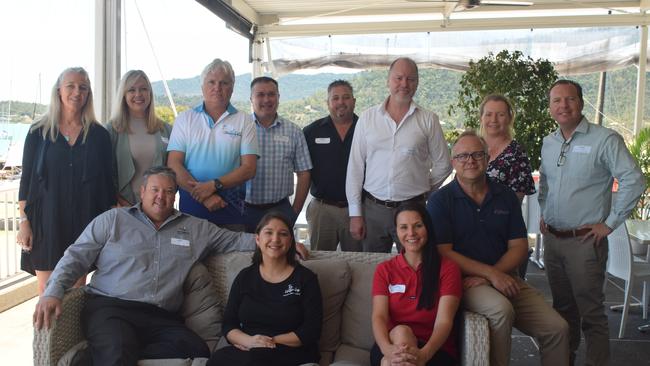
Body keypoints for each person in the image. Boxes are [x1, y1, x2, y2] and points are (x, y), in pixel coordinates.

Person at [33, 166, 308, 366]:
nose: (161, 197)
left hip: (160, 317)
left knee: (198, 350)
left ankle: (94, 356)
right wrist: (53, 291)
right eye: (154, 190)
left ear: (175, 195)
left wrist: (278, 241)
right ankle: (110, 350)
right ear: (141, 192)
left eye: (168, 191)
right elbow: (76, 256)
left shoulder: (195, 228)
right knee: (118, 353)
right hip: (111, 307)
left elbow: (235, 239)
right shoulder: (112, 221)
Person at [427, 131, 569, 366]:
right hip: (463, 281)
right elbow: (444, 251)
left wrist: (495, 275)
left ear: (487, 158)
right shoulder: (441, 201)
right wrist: (490, 275)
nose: (470, 160)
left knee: (558, 328)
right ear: (453, 163)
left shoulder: (505, 196)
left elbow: (519, 246)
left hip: (504, 276)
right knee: (501, 310)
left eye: (476, 154)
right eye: (462, 156)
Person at [539, 80, 644, 366]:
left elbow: (634, 180)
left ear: (581, 103)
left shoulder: (604, 139)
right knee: (562, 310)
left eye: (569, 99)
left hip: (585, 242)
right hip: (553, 240)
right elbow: (545, 183)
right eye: (556, 100)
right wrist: (543, 211)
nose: (563, 105)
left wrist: (609, 223)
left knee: (591, 314)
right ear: (550, 107)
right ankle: (565, 360)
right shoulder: (549, 143)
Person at [17, 67, 115, 295]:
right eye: (70, 85)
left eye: (83, 87)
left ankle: (68, 333)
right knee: (46, 289)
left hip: (84, 222)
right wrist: (24, 222)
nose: (76, 91)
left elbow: (106, 185)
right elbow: (26, 180)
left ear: (88, 93)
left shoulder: (99, 135)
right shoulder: (38, 132)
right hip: (46, 221)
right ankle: (46, 332)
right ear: (59, 91)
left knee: (75, 291)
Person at [346, 57, 452, 253]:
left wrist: (424, 188)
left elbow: (444, 164)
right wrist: (355, 214)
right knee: (372, 268)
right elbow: (355, 168)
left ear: (418, 83)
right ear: (388, 80)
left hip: (413, 210)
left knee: (414, 268)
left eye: (411, 79)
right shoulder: (368, 118)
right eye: (399, 78)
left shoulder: (428, 119)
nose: (404, 84)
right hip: (373, 210)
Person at [208, 212, 322, 366]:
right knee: (217, 359)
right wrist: (249, 341)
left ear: (290, 242)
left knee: (255, 359)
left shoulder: (306, 279)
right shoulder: (245, 277)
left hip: (291, 350)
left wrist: (268, 341)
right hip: (250, 347)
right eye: (268, 232)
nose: (275, 239)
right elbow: (229, 324)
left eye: (283, 234)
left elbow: (311, 330)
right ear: (257, 239)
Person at [167, 58, 258, 231]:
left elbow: (249, 169)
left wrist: (213, 185)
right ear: (202, 87)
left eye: (224, 83)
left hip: (230, 213)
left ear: (232, 88)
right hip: (190, 214)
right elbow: (173, 164)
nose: (217, 87)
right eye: (212, 82)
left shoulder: (244, 121)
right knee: (192, 258)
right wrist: (204, 196)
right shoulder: (185, 119)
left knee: (233, 259)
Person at [371, 203, 461, 366]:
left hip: (434, 349)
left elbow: (444, 321)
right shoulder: (384, 270)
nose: (411, 233)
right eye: (403, 227)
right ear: (396, 231)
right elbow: (379, 317)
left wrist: (423, 355)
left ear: (427, 228)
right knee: (401, 333)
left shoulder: (448, 269)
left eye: (418, 226)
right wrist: (387, 349)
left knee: (388, 363)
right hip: (391, 345)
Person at [244, 77, 312, 232]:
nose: (266, 99)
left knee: (280, 254)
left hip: (280, 210)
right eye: (260, 95)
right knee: (245, 255)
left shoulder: (293, 131)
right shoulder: (240, 129)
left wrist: (294, 211)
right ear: (251, 99)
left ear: (278, 97)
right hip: (244, 210)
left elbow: (304, 173)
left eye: (271, 94)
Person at [303, 80, 361, 251]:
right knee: (320, 262)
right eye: (335, 98)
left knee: (357, 262)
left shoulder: (367, 129)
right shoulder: (311, 132)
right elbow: (303, 171)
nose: (341, 102)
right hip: (322, 210)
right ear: (327, 103)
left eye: (346, 97)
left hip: (357, 211)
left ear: (354, 101)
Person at [106, 69, 172, 206]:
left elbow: (172, 171)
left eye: (143, 89)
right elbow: (104, 174)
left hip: (158, 208)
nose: (138, 94)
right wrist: (121, 203)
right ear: (123, 95)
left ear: (150, 93)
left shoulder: (166, 130)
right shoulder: (111, 130)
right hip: (123, 208)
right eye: (131, 90)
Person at [479, 94, 535, 202]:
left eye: (500, 114)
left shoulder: (517, 154)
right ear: (481, 118)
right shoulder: (471, 147)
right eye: (488, 114)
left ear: (509, 119)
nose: (494, 120)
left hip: (501, 217)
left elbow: (515, 201)